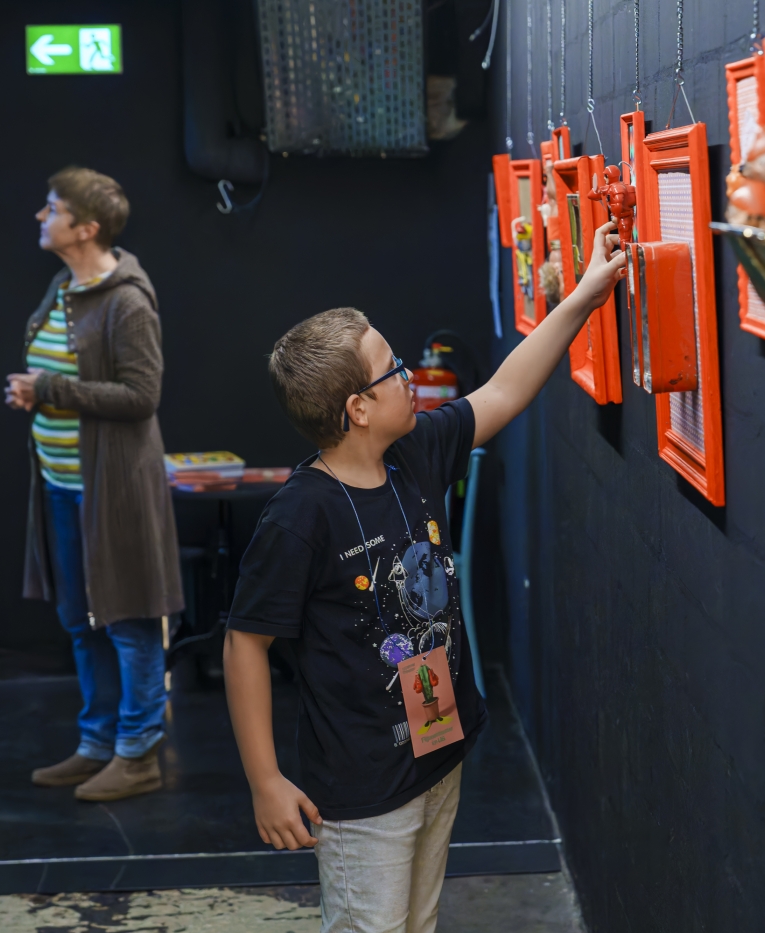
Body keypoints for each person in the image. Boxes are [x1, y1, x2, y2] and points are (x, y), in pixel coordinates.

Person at [223, 221, 627, 933]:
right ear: (358, 409)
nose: (408, 374)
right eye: (392, 367)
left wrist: (586, 296)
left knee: (418, 922)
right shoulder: (300, 516)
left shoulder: (415, 452)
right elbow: (245, 642)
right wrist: (265, 780)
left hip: (436, 756)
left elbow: (504, 392)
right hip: (361, 788)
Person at [6, 167, 184, 802]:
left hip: (112, 490)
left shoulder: (127, 301)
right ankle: (97, 744)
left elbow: (142, 396)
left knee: (128, 619)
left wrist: (47, 389)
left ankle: (138, 755)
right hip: (62, 482)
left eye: (51, 209)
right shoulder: (65, 285)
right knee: (81, 618)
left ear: (86, 228)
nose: (40, 217)